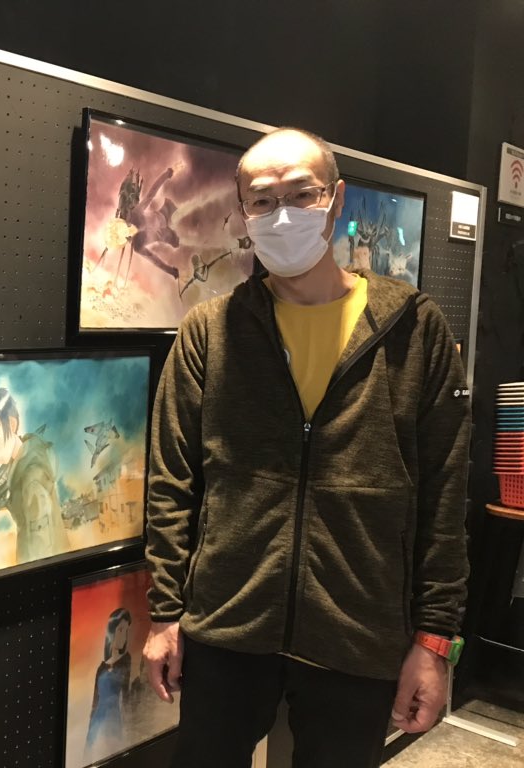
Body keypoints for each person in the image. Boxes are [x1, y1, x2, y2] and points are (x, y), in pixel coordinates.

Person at [142, 127, 470, 768]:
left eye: (302, 194)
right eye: (262, 201)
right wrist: (163, 613)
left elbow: (444, 496)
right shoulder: (210, 331)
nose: (282, 214)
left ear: (336, 199)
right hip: (227, 623)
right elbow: (171, 481)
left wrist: (435, 642)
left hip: (358, 629)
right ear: (243, 213)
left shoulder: (414, 329)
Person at [0, 387, 69, 563]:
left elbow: (42, 541)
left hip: (39, 562)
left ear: (12, 425)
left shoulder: (32, 477)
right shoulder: (15, 466)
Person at [85, 608, 133, 760]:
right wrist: (90, 726)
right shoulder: (101, 668)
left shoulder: (126, 660)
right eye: (120, 630)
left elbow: (126, 697)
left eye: (126, 631)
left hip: (114, 717)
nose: (123, 636)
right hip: (97, 718)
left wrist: (129, 724)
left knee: (113, 755)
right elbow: (95, 702)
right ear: (111, 631)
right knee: (91, 753)